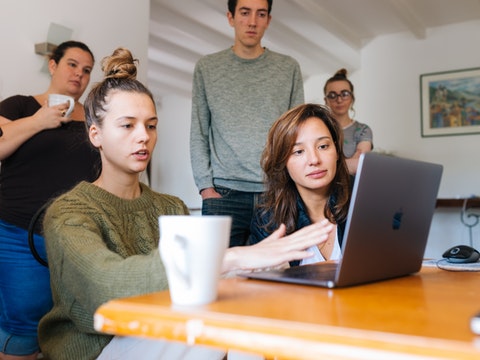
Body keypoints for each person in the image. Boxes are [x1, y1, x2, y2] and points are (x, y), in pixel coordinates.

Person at [38, 47, 333, 360]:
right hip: (97, 348)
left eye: (151, 125)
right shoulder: (67, 213)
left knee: (260, 288)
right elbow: (105, 288)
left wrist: (261, 265)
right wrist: (227, 258)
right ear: (95, 134)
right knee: (215, 323)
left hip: (163, 328)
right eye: (128, 125)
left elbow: (196, 291)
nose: (144, 137)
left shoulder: (171, 207)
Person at [0, 41, 100, 360]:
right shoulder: (19, 106)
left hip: (76, 237)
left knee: (75, 324)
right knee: (23, 323)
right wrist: (40, 121)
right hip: (17, 230)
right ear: (53, 65)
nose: (79, 74)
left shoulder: (95, 119)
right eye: (72, 64)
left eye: (86, 70)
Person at [190, 0, 305, 248]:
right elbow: (198, 131)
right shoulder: (207, 68)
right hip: (222, 195)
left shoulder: (288, 68)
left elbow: (298, 134)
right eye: (245, 12)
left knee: (273, 277)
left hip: (275, 193)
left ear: (268, 20)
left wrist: (293, 185)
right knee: (218, 278)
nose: (252, 21)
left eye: (260, 14)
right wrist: (205, 188)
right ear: (231, 17)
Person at [249, 103, 351, 265]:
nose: (314, 160)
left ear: (337, 151)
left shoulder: (365, 203)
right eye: (298, 151)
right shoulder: (267, 220)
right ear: (283, 162)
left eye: (323, 146)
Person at [323, 68, 373, 175]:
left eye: (344, 94)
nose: (339, 100)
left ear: (352, 97)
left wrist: (326, 168)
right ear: (325, 100)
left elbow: (358, 165)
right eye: (332, 95)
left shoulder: (363, 130)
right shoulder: (319, 129)